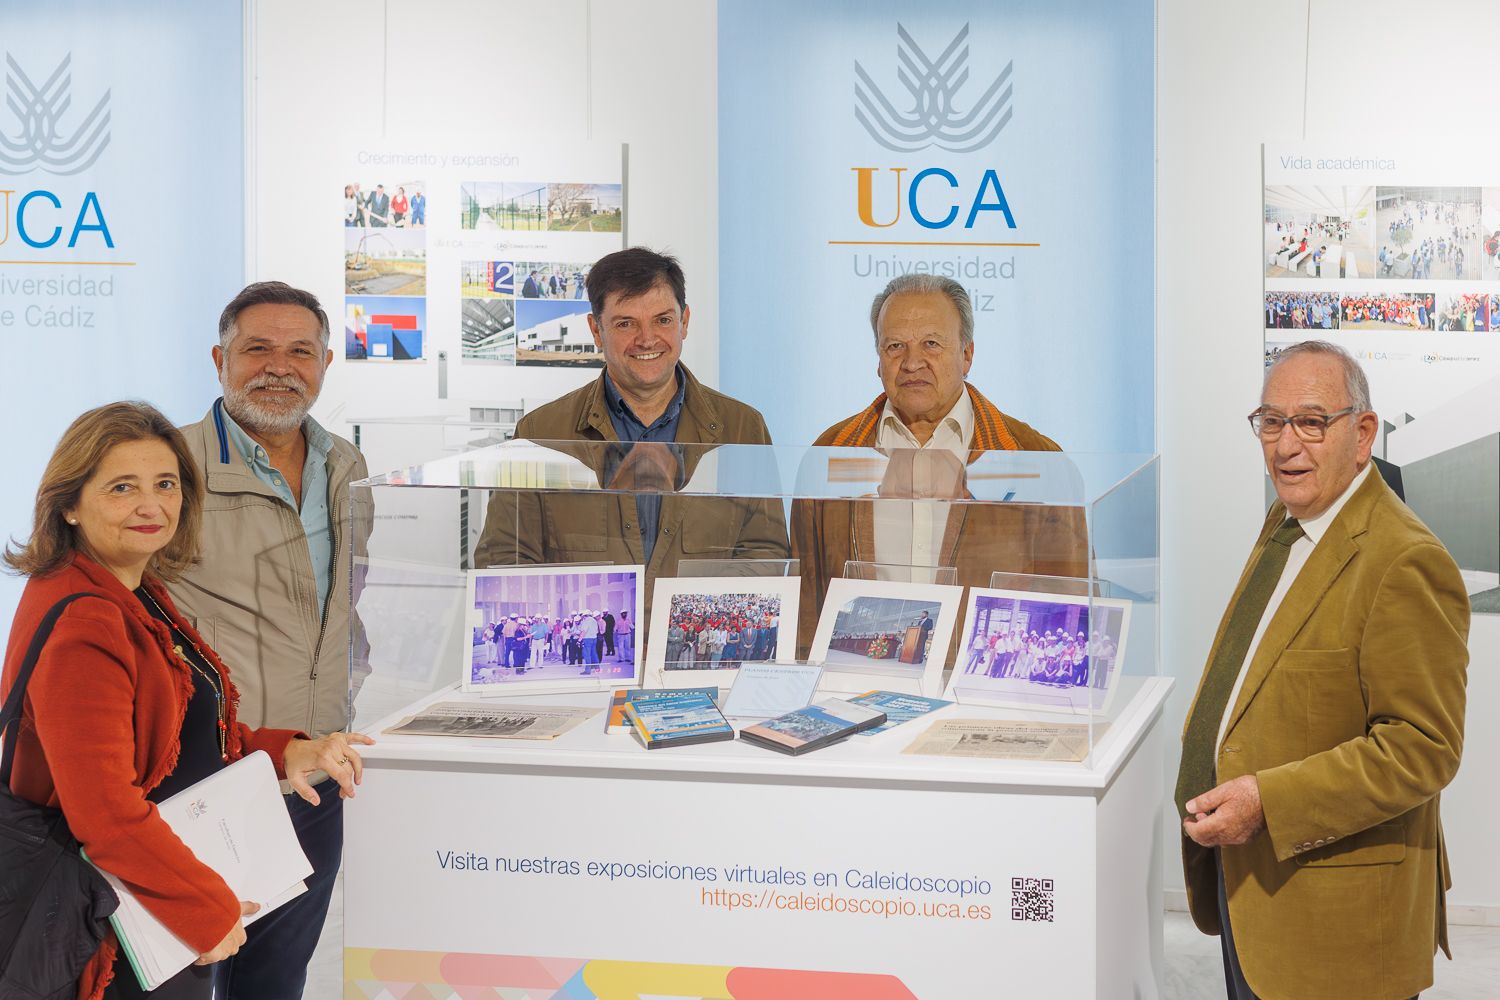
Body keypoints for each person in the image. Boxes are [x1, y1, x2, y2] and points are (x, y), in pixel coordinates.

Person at [1, 402, 371, 1000]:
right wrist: (204, 909)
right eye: (123, 488)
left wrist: (287, 751)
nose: (152, 506)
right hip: (122, 919)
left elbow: (174, 735)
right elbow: (106, 816)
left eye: (165, 484)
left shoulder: (133, 589)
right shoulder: (85, 622)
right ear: (68, 504)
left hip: (152, 893)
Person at [1175, 341, 1469, 1000]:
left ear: (1363, 434)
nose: (1285, 445)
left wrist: (1265, 803)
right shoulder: (1289, 521)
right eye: (1270, 422)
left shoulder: (1404, 561)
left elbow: (1423, 749)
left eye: (1311, 422)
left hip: (1335, 922)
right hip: (1252, 890)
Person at [166, 281, 370, 1000]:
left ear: (325, 363)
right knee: (188, 977)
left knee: (278, 978)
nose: (278, 368)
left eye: (299, 352)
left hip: (314, 776)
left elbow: (349, 602)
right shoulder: (170, 469)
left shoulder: (346, 467)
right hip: (208, 775)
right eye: (257, 349)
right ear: (220, 359)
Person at [473, 247, 789, 606]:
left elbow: (766, 552)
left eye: (663, 320)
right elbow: (503, 558)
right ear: (596, 329)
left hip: (693, 653)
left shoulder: (743, 428)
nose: (647, 339)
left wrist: (682, 619)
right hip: (589, 653)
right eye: (626, 323)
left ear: (685, 321)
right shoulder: (540, 432)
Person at [790, 274, 1086, 657]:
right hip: (856, 690)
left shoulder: (1038, 460)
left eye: (932, 344)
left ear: (967, 354)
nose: (913, 362)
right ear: (878, 360)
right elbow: (805, 600)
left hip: (982, 700)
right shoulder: (828, 454)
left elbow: (1068, 608)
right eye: (895, 346)